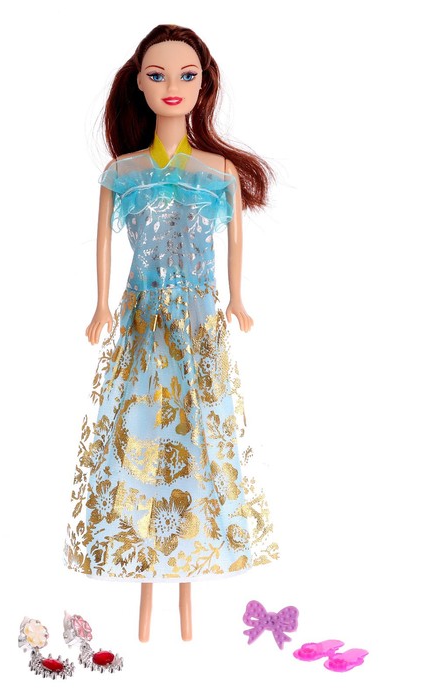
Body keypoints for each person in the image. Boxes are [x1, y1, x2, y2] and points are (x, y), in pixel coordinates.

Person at [63, 24, 279, 642]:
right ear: (138, 82)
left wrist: (237, 299)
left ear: (203, 84)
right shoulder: (122, 173)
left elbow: (235, 242)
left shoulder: (217, 173)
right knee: (142, 430)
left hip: (201, 322)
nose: (172, 86)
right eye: (157, 75)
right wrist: (100, 306)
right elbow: (104, 245)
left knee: (199, 434)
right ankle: (147, 603)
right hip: (142, 320)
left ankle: (185, 603)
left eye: (186, 75)